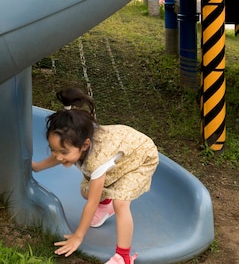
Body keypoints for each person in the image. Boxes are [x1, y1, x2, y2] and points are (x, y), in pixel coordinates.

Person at [32, 87, 159, 264]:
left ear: (84, 146)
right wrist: (36, 167)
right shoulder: (76, 140)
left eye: (63, 152)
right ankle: (106, 205)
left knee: (120, 203)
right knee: (86, 189)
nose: (58, 156)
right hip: (122, 152)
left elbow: (92, 203)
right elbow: (57, 158)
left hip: (141, 156)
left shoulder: (96, 161)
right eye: (54, 150)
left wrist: (78, 236)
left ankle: (123, 256)